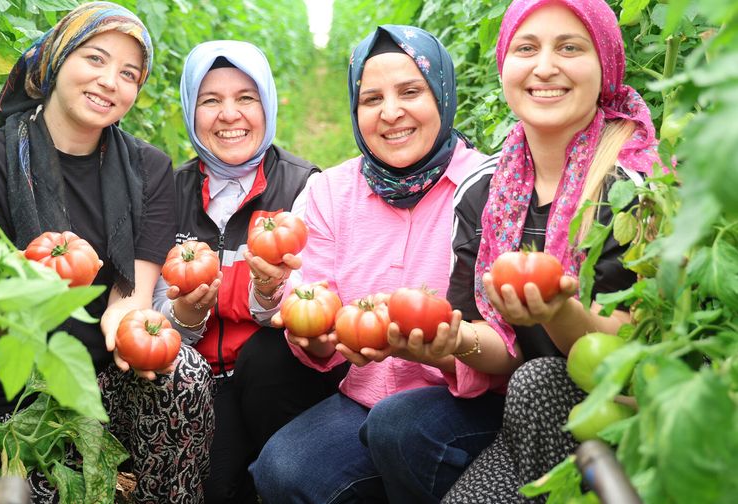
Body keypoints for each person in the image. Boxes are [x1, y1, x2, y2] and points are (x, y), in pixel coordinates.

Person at [0, 3, 214, 503]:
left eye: (128, 73)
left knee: (185, 375)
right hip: (22, 392)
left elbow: (132, 294)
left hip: (111, 379)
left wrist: (125, 324)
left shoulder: (149, 168)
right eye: (95, 58)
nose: (109, 82)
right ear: (56, 59)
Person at [250, 25, 510, 503]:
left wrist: (440, 352)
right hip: (369, 400)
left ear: (442, 95)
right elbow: (318, 308)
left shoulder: (487, 187)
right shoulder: (331, 192)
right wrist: (314, 339)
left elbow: (511, 342)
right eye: (371, 99)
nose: (390, 113)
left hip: (473, 405)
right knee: (282, 469)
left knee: (401, 429)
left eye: (410, 92)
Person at [441, 0, 661, 502]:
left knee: (538, 380)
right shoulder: (484, 194)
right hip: (533, 419)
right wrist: (453, 342)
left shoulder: (632, 190)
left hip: (626, 420)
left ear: (605, 66)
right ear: (504, 67)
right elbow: (505, 348)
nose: (544, 67)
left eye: (569, 47)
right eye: (526, 48)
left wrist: (559, 313)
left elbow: (629, 357)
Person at [151, 40, 347, 503]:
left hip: (280, 380)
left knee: (266, 356)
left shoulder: (305, 186)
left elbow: (312, 307)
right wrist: (186, 314)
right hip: (201, 379)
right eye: (210, 100)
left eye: (246, 98)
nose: (229, 114)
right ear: (190, 110)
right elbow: (155, 312)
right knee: (219, 488)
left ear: (267, 105)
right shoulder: (167, 192)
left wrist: (267, 290)